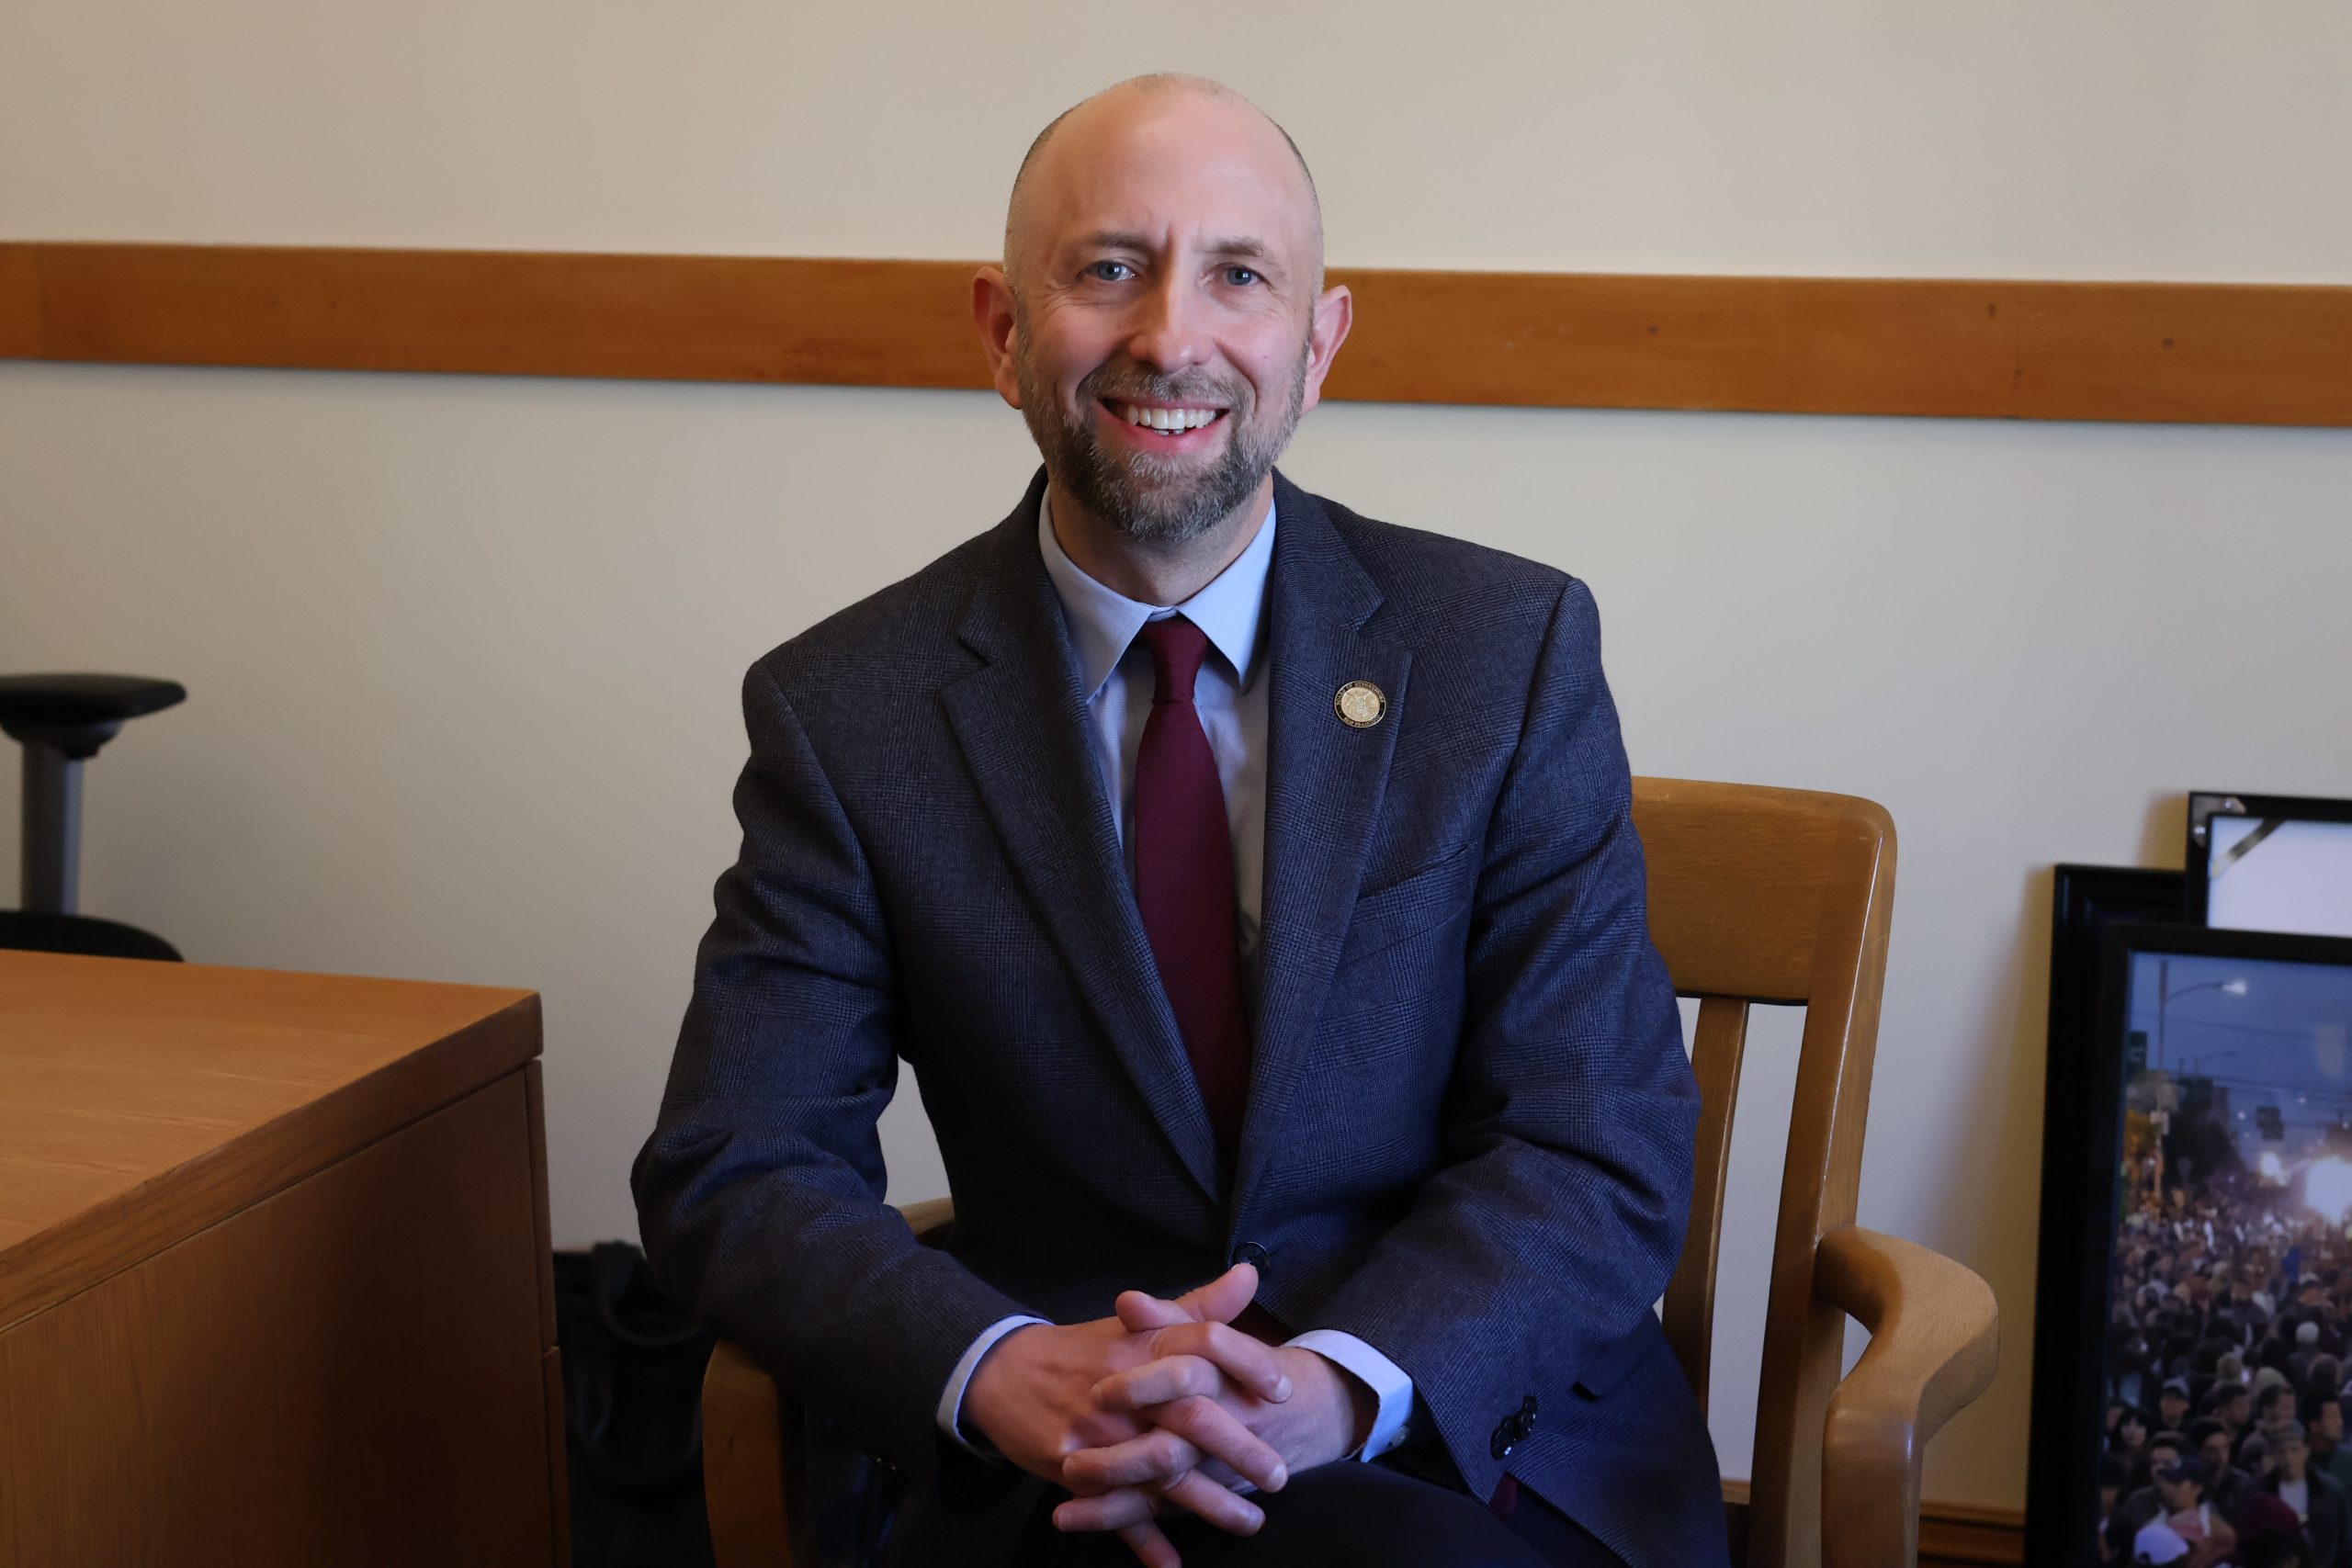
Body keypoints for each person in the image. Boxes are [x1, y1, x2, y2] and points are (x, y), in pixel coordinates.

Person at [631, 73, 1725, 1568]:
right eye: (1107, 269)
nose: (1170, 336)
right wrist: (1002, 1366)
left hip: (1463, 1446)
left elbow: (1597, 1134)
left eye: (1238, 275)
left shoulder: (1503, 653)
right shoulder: (850, 712)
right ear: (1005, 332)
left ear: (1316, 342)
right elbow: (737, 1164)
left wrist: (1335, 1389)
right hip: (1069, 1472)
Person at [2261, 1423, 2350, 1568]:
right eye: (2281, 1452)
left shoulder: (2331, 1491)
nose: (2288, 1458)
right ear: (2274, 1455)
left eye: (2294, 1450)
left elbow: (2343, 1545)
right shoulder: (2261, 1493)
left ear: (2306, 1450)